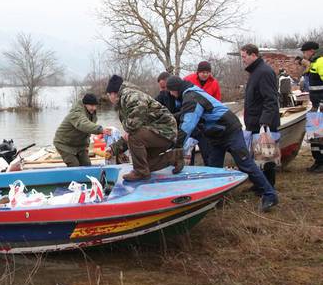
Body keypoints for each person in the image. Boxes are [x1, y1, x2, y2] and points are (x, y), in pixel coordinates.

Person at [166, 76, 279, 212]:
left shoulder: (191, 98)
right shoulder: (190, 93)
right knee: (214, 168)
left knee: (245, 163)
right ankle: (216, 199)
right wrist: (171, 117)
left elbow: (187, 125)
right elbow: (186, 113)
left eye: (171, 91)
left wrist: (176, 147)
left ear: (176, 89)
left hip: (230, 130)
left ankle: (270, 195)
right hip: (216, 134)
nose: (171, 95)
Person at [106, 75, 183, 181]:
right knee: (144, 163)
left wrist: (127, 132)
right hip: (157, 133)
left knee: (134, 137)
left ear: (113, 93)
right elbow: (130, 132)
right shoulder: (124, 102)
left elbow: (132, 131)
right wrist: (114, 149)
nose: (108, 98)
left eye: (108, 95)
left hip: (165, 131)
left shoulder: (131, 95)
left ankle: (141, 173)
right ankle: (175, 157)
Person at [240, 43, 281, 187]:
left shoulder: (263, 72)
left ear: (253, 55)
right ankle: (259, 185)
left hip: (263, 123)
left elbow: (270, 99)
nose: (243, 60)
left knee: (266, 156)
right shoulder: (255, 71)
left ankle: (268, 187)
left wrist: (265, 122)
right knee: (258, 156)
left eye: (244, 56)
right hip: (255, 121)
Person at [53, 93, 111, 167]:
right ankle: (71, 178)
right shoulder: (76, 113)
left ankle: (85, 178)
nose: (94, 108)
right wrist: (100, 130)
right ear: (85, 104)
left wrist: (86, 146)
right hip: (64, 144)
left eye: (95, 106)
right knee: (74, 165)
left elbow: (87, 133)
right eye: (91, 106)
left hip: (79, 146)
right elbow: (84, 125)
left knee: (87, 165)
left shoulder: (91, 114)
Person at [301, 41, 323, 172]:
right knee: (314, 135)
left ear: (312, 51)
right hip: (315, 105)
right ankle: (318, 161)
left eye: (304, 52)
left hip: (321, 105)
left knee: (320, 136)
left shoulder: (320, 61)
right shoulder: (314, 62)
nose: (304, 55)